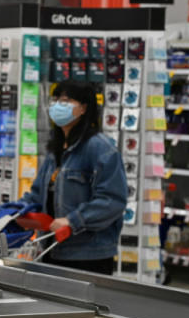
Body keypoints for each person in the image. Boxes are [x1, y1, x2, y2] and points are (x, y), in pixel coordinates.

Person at [19, 81, 126, 274]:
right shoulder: (56, 150)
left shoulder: (100, 149)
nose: (58, 105)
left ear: (84, 108)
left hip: (88, 256)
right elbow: (37, 195)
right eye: (56, 100)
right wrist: (14, 212)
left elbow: (112, 201)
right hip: (53, 248)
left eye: (66, 101)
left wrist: (72, 221)